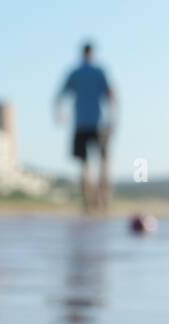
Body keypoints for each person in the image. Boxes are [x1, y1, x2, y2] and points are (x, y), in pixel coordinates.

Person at [56, 42, 116, 212]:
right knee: (102, 163)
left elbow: (60, 96)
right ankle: (102, 201)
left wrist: (59, 115)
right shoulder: (99, 72)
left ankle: (90, 202)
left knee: (85, 164)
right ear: (92, 53)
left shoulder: (76, 73)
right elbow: (111, 96)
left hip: (82, 124)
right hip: (97, 123)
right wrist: (112, 120)